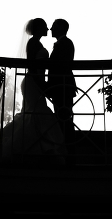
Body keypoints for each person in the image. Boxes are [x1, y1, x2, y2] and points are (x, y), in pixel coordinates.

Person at [0, 19, 66, 163]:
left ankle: (39, 148)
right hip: (33, 82)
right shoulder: (33, 43)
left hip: (35, 82)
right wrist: (43, 86)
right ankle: (38, 149)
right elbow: (33, 67)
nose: (48, 28)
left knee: (34, 113)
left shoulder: (36, 43)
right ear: (38, 28)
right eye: (44, 26)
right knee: (35, 112)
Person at [47, 18, 77, 156]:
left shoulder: (65, 43)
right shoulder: (64, 43)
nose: (50, 29)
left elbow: (59, 67)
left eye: (53, 26)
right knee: (62, 117)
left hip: (62, 86)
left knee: (64, 118)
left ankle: (68, 150)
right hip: (60, 86)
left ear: (60, 28)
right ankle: (66, 149)